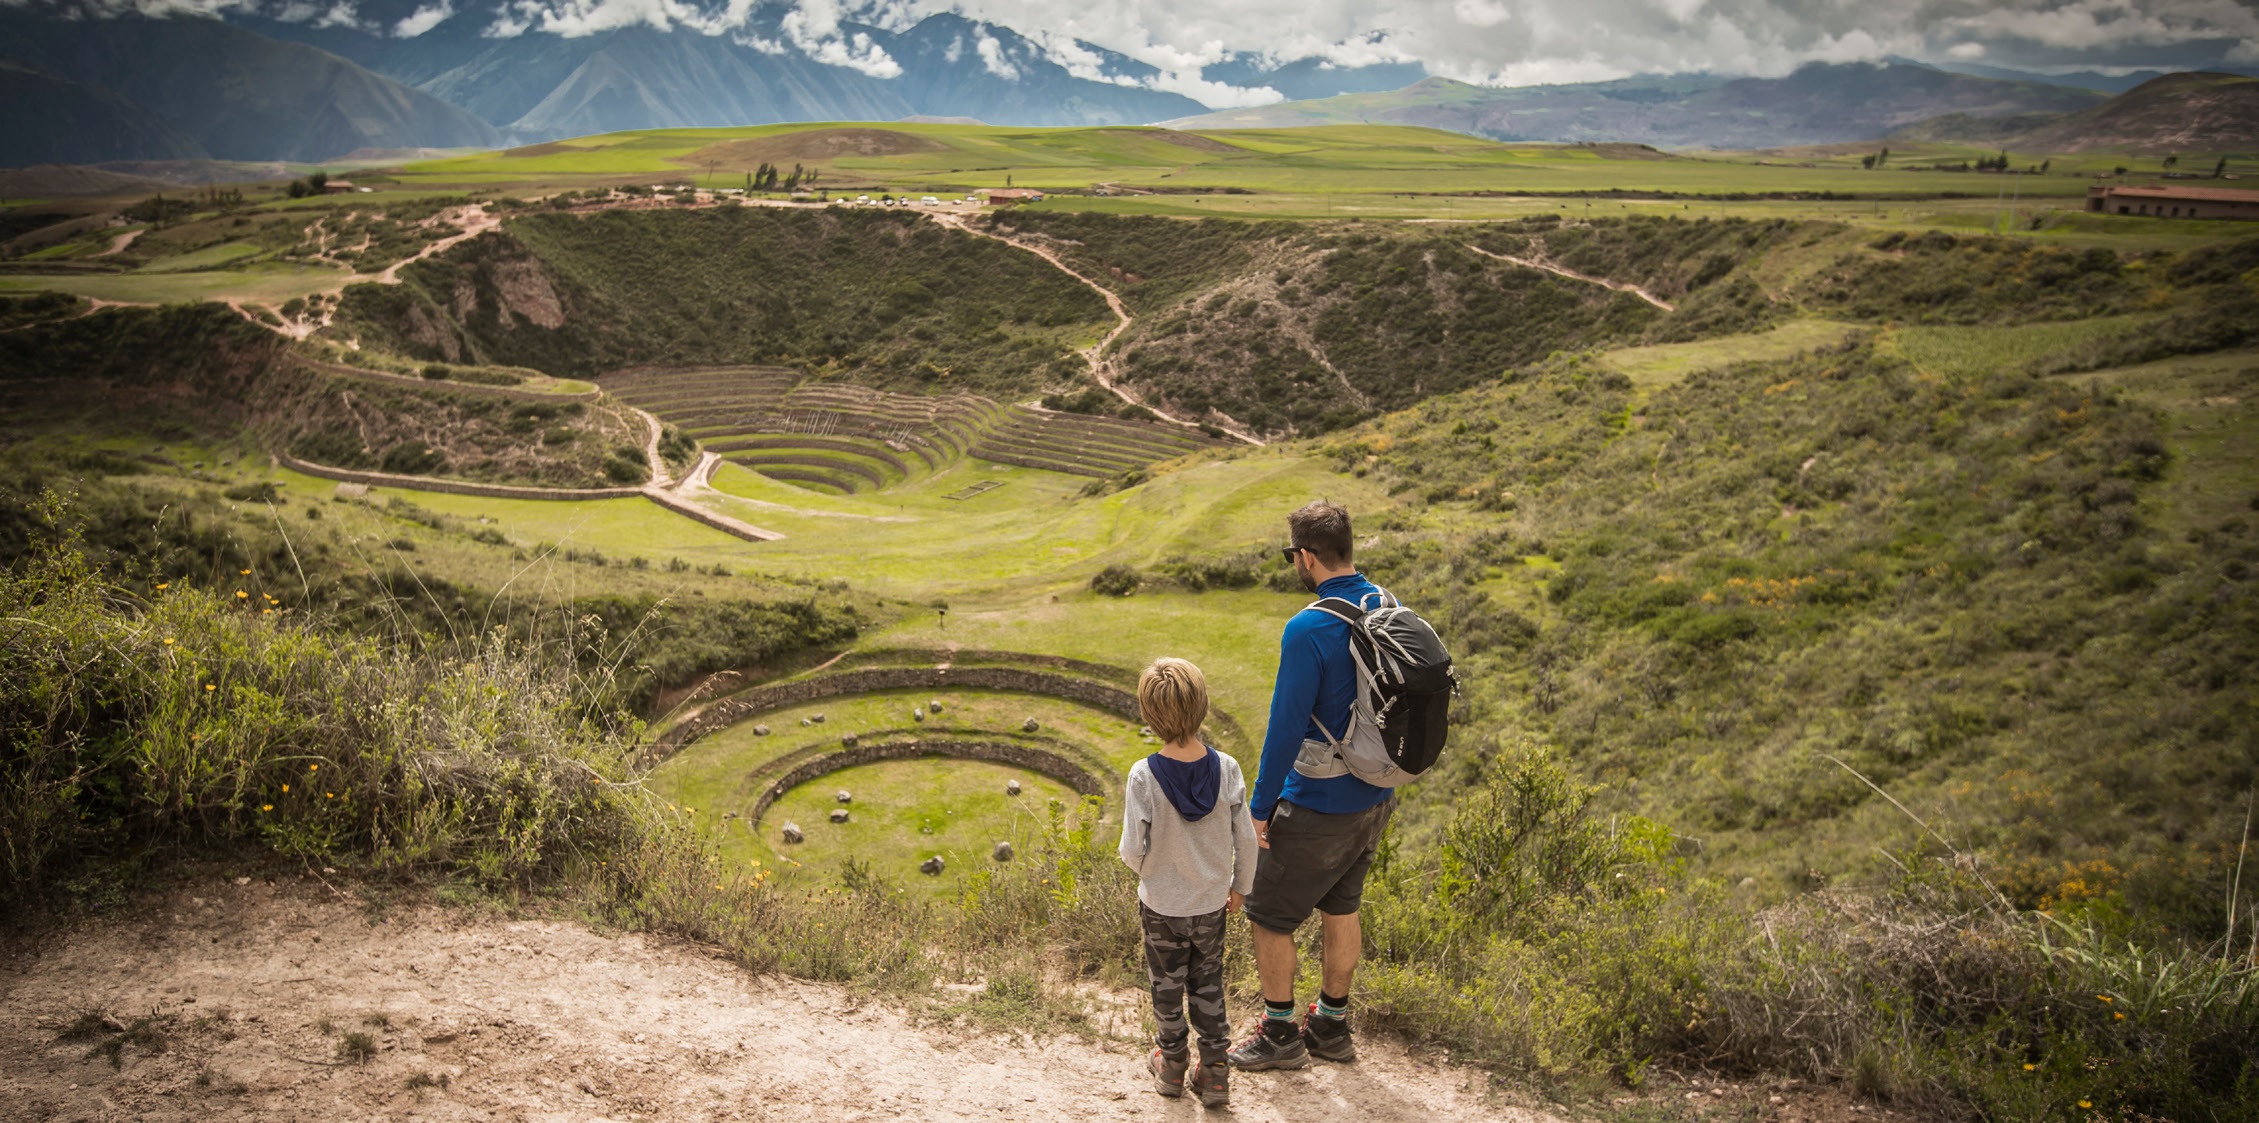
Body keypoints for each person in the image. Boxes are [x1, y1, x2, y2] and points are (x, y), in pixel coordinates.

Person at [1230, 500, 1395, 1071]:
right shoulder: (1387, 604)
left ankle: (1279, 1035)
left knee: (1268, 914)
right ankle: (1330, 1025)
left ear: (1305, 556)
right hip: (1376, 795)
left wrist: (1260, 807)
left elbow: (1285, 724)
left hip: (1320, 802)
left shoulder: (1309, 626)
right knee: (1341, 906)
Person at [1118, 657, 1258, 1108]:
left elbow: (1130, 849)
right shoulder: (1229, 768)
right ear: (1203, 707)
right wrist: (1240, 886)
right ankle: (1215, 1072)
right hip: (1212, 904)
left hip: (1162, 906)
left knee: (1166, 985)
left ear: (1150, 715)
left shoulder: (1144, 775)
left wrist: (1155, 876)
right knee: (1208, 982)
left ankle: (1172, 1066)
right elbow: (1247, 839)